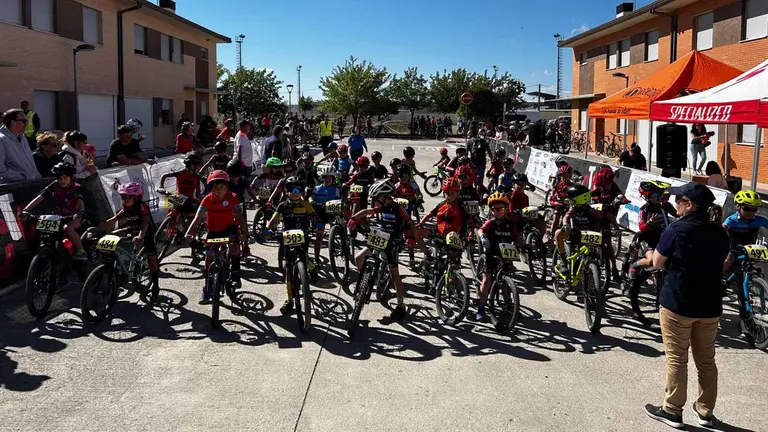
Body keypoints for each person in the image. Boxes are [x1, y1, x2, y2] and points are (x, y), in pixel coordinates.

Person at [644, 182, 729, 430]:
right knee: (706, 361)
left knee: (677, 359)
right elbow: (723, 263)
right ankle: (705, 412)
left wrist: (650, 257)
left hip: (678, 303)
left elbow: (658, 262)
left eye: (679, 201)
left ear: (689, 204)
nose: (675, 205)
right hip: (710, 305)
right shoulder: (720, 232)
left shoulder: (676, 229)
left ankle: (672, 410)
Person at [348, 179, 415, 321]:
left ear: (385, 196)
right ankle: (366, 280)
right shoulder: (381, 207)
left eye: (376, 199)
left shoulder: (398, 208)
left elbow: (409, 223)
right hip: (379, 237)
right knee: (358, 258)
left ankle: (400, 305)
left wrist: (410, 238)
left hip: (393, 242)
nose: (375, 203)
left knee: (394, 275)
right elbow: (368, 211)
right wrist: (354, 218)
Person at [185, 170, 249, 303]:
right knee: (208, 259)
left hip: (229, 229)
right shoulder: (207, 199)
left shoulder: (233, 197)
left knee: (234, 248)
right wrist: (189, 232)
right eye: (214, 187)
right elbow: (197, 218)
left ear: (227, 187)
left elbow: (239, 216)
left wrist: (244, 234)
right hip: (213, 230)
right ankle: (207, 289)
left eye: (221, 187)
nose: (218, 190)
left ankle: (235, 275)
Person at [91, 182, 160, 299]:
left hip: (146, 232)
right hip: (131, 230)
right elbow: (111, 221)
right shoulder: (125, 209)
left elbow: (145, 223)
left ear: (136, 198)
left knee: (152, 260)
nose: (124, 200)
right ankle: (116, 273)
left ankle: (155, 286)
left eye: (126, 197)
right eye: (122, 197)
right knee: (111, 236)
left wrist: (140, 236)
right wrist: (95, 230)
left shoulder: (142, 207)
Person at [266, 176, 317, 315]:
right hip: (287, 238)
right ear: (286, 191)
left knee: (304, 258)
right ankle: (289, 300)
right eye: (291, 189)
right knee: (288, 269)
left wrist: (315, 223)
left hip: (303, 236)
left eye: (299, 189)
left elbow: (313, 216)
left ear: (302, 191)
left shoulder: (306, 204)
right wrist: (268, 229)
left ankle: (312, 268)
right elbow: (272, 220)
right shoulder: (283, 206)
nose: (295, 192)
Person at [21, 162, 86, 259]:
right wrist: (26, 210)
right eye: (59, 178)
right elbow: (40, 197)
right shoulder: (54, 185)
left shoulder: (76, 187)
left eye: (65, 177)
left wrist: (80, 211)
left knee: (68, 228)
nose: (62, 180)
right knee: (42, 229)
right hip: (59, 216)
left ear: (71, 177)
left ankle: (81, 251)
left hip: (75, 216)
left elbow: (80, 201)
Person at [625, 181, 677, 296]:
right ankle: (633, 264)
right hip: (647, 239)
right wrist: (649, 223)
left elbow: (678, 214)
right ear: (648, 197)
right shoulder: (644, 209)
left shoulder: (666, 206)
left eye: (660, 195)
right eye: (655, 196)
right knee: (651, 261)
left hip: (661, 238)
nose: (659, 198)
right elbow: (642, 227)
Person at [476, 192, 519, 320]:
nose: (498, 211)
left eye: (501, 208)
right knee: (486, 280)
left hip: (505, 256)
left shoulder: (510, 224)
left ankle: (510, 305)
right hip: (491, 254)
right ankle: (481, 307)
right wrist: (483, 237)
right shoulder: (491, 222)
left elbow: (517, 237)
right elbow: (480, 230)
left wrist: (522, 245)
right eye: (494, 209)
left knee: (506, 282)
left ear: (506, 209)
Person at [158, 153, 203, 225]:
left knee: (191, 215)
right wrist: (161, 187)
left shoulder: (196, 178)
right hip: (179, 198)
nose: (200, 168)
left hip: (189, 200)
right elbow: (164, 175)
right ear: (192, 165)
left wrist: (198, 200)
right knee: (170, 201)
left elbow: (198, 193)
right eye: (198, 166)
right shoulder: (180, 173)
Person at [310, 166, 342, 260]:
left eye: (330, 177)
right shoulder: (317, 188)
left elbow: (338, 200)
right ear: (322, 178)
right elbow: (311, 197)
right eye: (325, 177)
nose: (327, 179)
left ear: (333, 178)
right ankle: (316, 257)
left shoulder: (336, 189)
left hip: (332, 212)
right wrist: (311, 201)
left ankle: (344, 245)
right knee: (319, 236)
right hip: (320, 213)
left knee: (340, 224)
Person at [0, 109, 40, 183]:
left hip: (29, 184)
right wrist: (21, 177)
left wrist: (37, 176)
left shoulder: (22, 137)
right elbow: (1, 169)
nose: (27, 124)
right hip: (13, 188)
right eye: (24, 121)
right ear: (13, 122)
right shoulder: (2, 140)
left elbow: (29, 160)